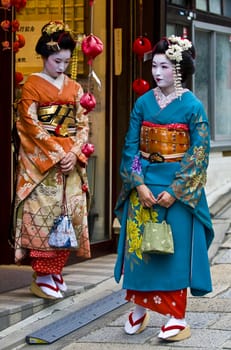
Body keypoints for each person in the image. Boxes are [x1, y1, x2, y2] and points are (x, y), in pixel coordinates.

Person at [114, 35, 214, 342]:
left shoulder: (192, 106)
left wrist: (177, 189)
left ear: (180, 69)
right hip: (145, 181)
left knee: (174, 250)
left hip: (177, 187)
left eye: (165, 66)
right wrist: (138, 184)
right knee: (139, 248)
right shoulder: (143, 102)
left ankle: (176, 317)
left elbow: (199, 152)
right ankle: (139, 310)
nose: (157, 73)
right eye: (155, 66)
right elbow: (131, 146)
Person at [11, 21, 91, 300]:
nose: (62, 67)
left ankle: (55, 270)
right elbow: (29, 125)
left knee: (66, 215)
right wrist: (58, 154)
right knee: (42, 215)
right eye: (57, 61)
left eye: (67, 62)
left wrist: (74, 153)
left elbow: (82, 124)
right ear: (44, 57)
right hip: (42, 164)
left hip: (69, 162)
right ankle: (42, 273)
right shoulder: (32, 85)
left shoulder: (75, 88)